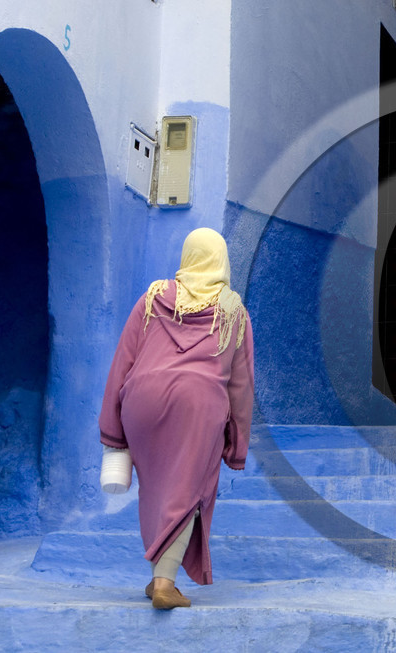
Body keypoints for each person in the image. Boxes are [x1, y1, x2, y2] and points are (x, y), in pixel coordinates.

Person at [97, 227, 254, 610]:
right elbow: (241, 387)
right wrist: (236, 445)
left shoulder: (152, 297)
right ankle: (165, 583)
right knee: (188, 492)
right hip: (198, 405)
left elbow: (123, 363)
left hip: (142, 402)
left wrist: (113, 432)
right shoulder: (233, 310)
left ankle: (157, 576)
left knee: (155, 489)